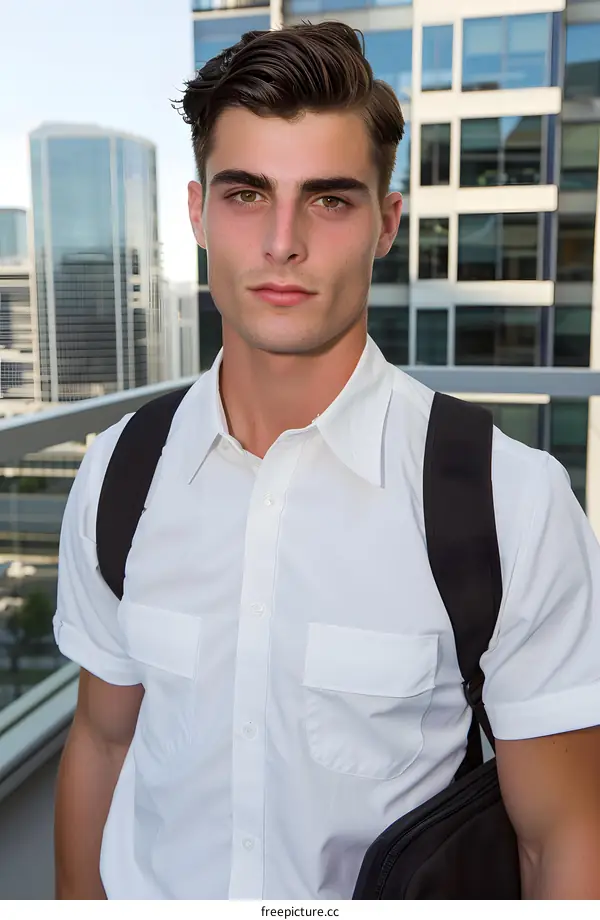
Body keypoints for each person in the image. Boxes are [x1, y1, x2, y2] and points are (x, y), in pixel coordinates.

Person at [53, 21, 600, 900]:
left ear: (386, 222)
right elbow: (106, 741)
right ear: (197, 213)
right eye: (245, 194)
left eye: (329, 199)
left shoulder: (513, 503)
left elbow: (560, 837)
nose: (281, 242)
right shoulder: (120, 474)